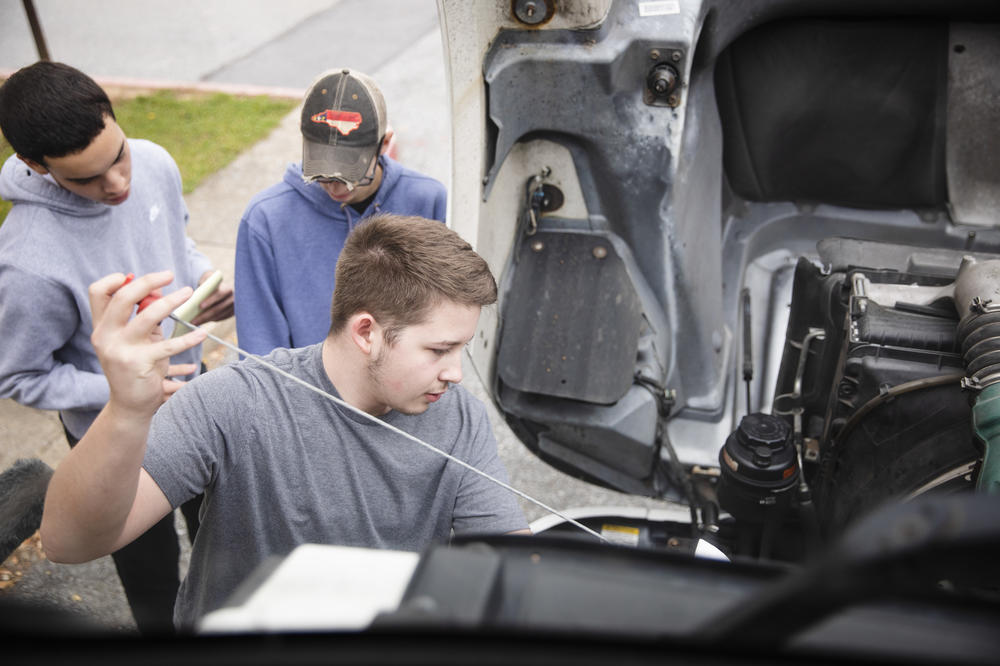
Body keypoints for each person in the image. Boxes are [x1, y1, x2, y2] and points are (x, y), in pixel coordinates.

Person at [40, 214, 530, 630]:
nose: (456, 372)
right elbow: (68, 542)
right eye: (440, 349)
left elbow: (511, 572)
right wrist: (125, 410)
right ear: (367, 333)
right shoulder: (233, 402)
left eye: (462, 348)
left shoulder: (457, 412)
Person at [0, 61, 234, 633]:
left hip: (196, 398)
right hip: (112, 438)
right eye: (87, 179)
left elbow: (175, 236)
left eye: (118, 155)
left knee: (222, 538)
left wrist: (203, 275)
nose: (119, 184)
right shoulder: (25, 263)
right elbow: (18, 376)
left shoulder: (152, 160)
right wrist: (126, 388)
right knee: (153, 575)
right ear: (35, 166)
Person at [234, 68, 447, 355]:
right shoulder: (266, 220)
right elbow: (260, 349)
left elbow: (439, 322)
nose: (335, 186)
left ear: (384, 144)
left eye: (351, 172)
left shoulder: (427, 201)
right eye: (321, 172)